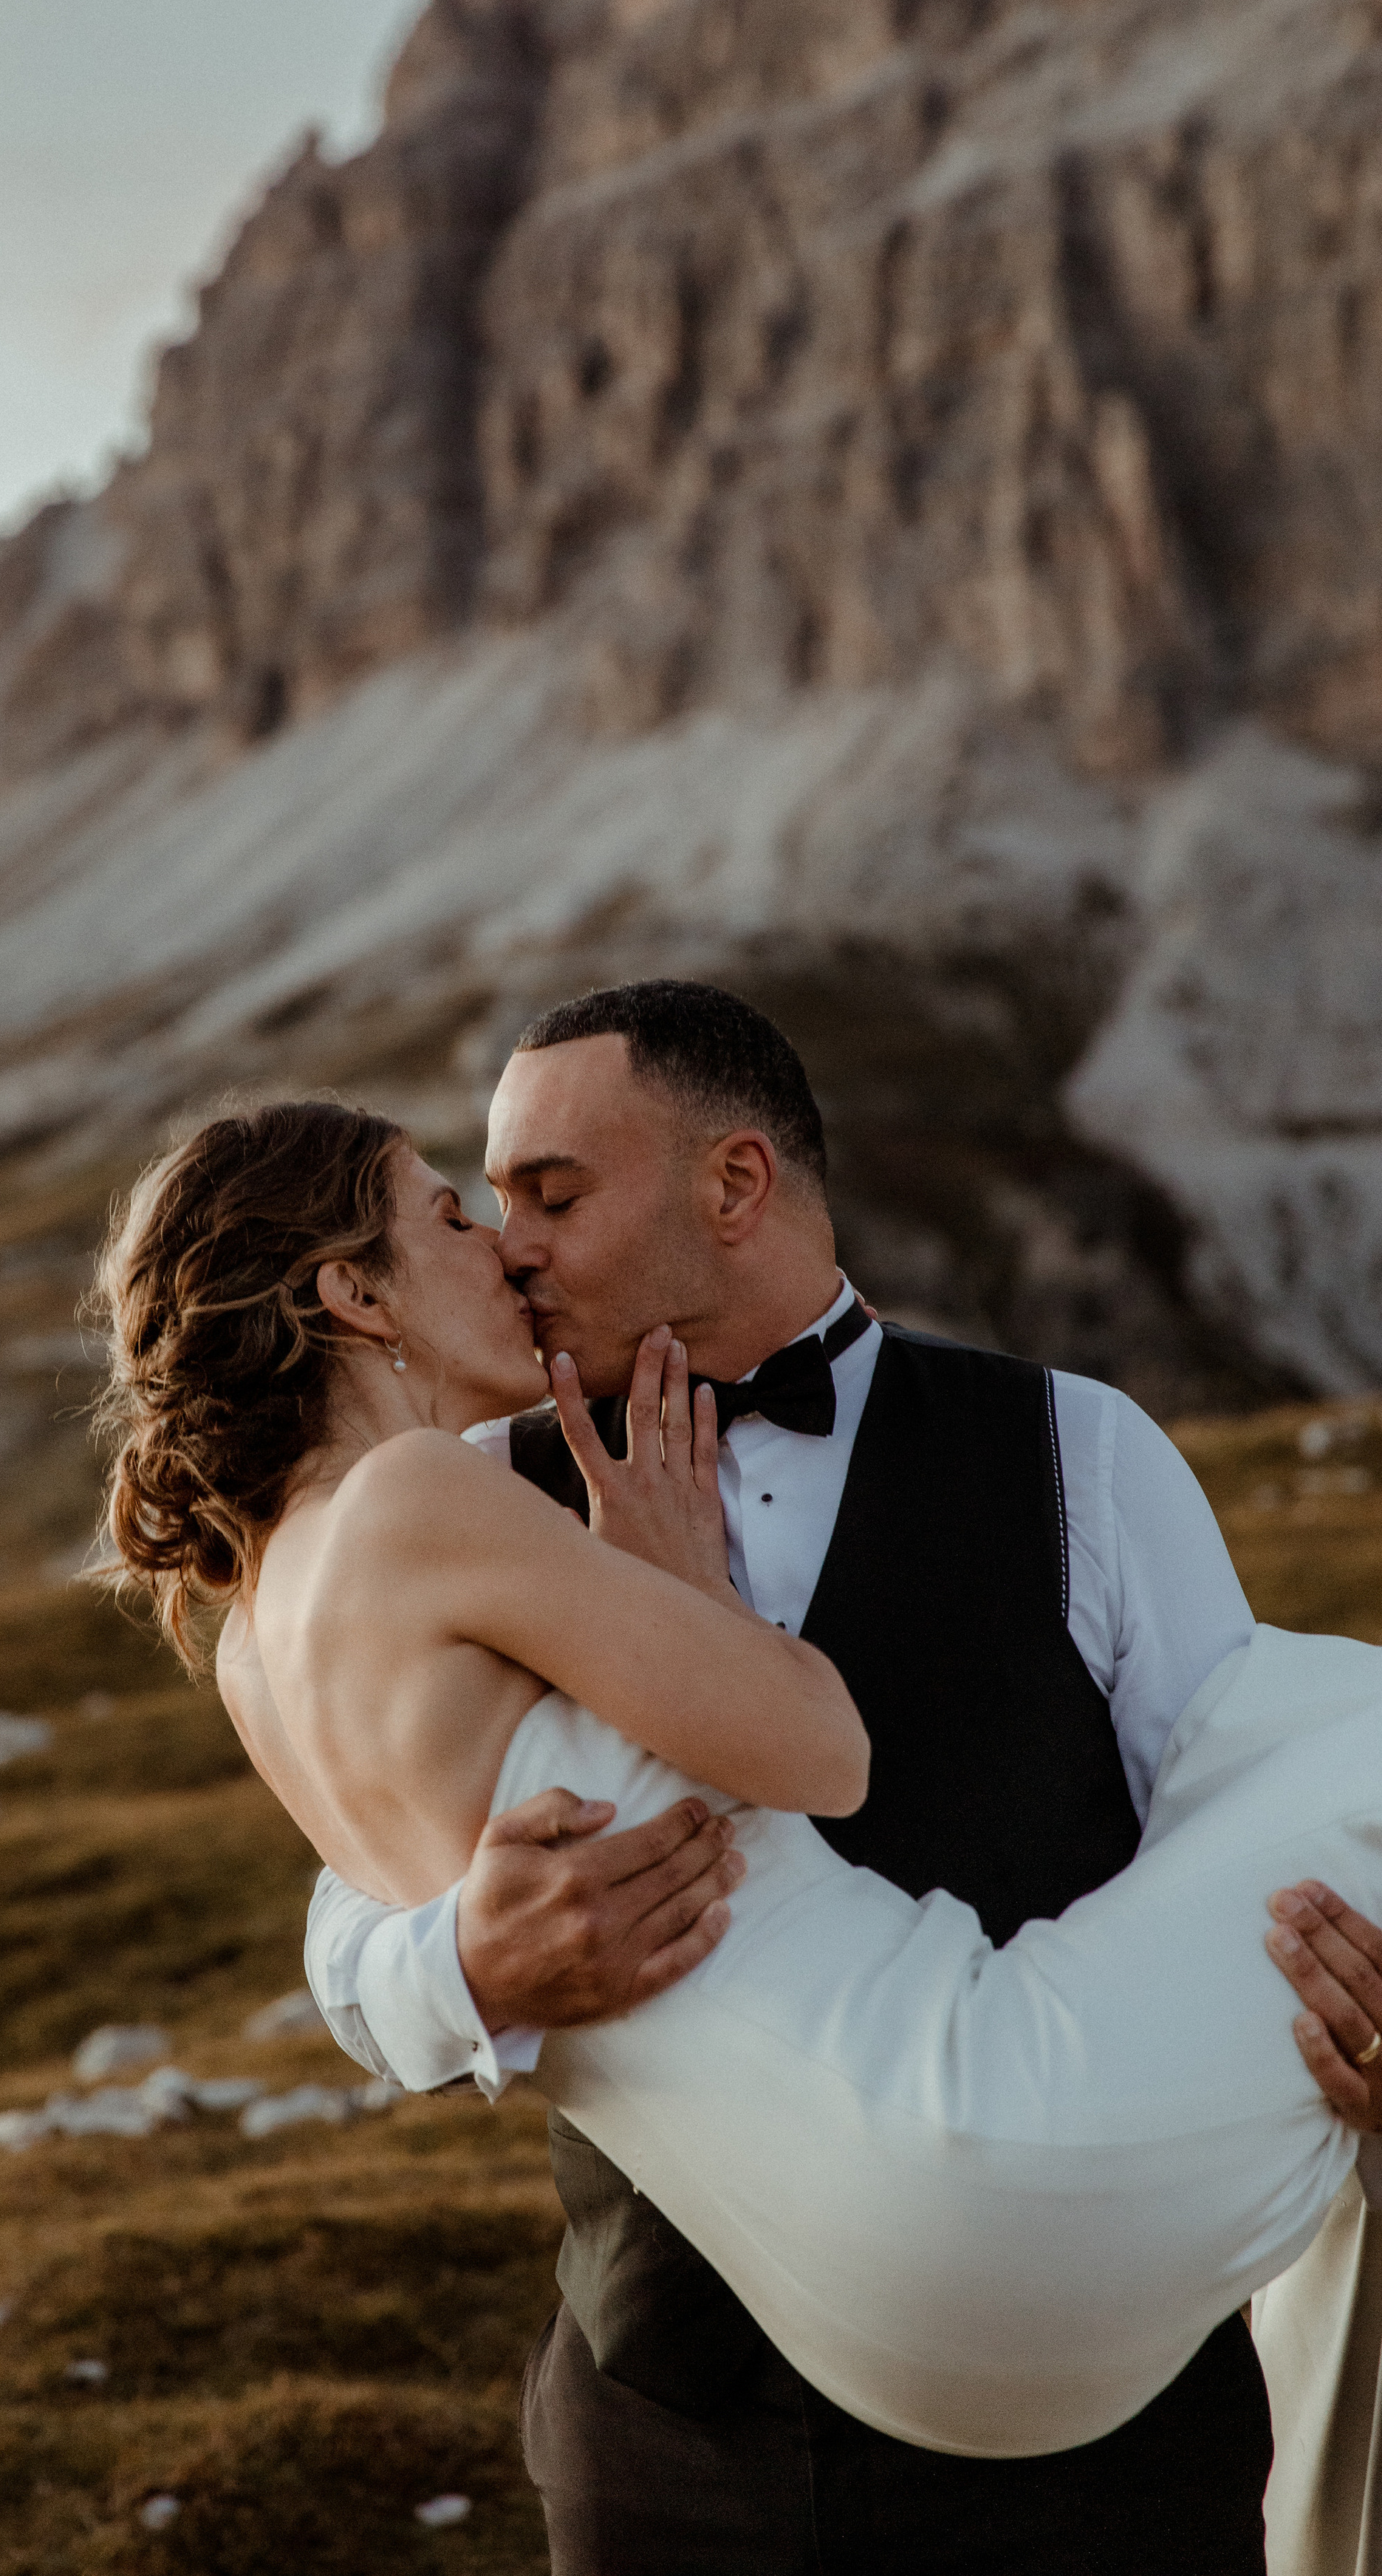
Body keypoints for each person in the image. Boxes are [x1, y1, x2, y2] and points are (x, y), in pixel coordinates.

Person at [89, 991, 1382, 2576]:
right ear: (354, 1295)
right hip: (667, 2439)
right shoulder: (460, 1485)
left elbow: (1228, 1816)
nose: (511, 1249)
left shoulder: (1079, 1451)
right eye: (478, 1208)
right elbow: (350, 1919)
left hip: (1091, 2455)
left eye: (551, 1197)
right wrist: (461, 1966)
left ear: (735, 1183)